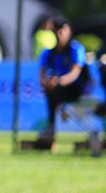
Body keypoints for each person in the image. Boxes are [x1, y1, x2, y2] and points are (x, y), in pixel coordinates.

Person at [35, 17, 90, 149]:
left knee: (56, 89)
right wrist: (47, 82)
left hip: (76, 89)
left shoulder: (76, 49)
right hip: (56, 91)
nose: (60, 35)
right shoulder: (49, 53)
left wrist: (58, 81)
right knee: (51, 90)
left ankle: (55, 122)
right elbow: (41, 75)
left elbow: (74, 73)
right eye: (57, 32)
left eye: (63, 31)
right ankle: (52, 127)